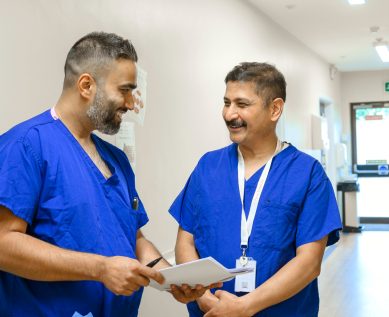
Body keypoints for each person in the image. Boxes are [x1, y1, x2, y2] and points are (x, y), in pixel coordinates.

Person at [0, 32, 215, 317]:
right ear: (86, 85)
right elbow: (4, 243)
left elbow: (134, 238)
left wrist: (170, 278)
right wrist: (100, 268)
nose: (129, 102)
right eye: (124, 90)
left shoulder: (116, 159)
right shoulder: (27, 145)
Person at [169, 62, 342, 317]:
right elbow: (185, 241)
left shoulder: (307, 174)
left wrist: (242, 308)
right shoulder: (208, 166)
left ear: (275, 109)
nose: (229, 114)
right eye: (227, 103)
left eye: (242, 104)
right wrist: (204, 299)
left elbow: (309, 263)